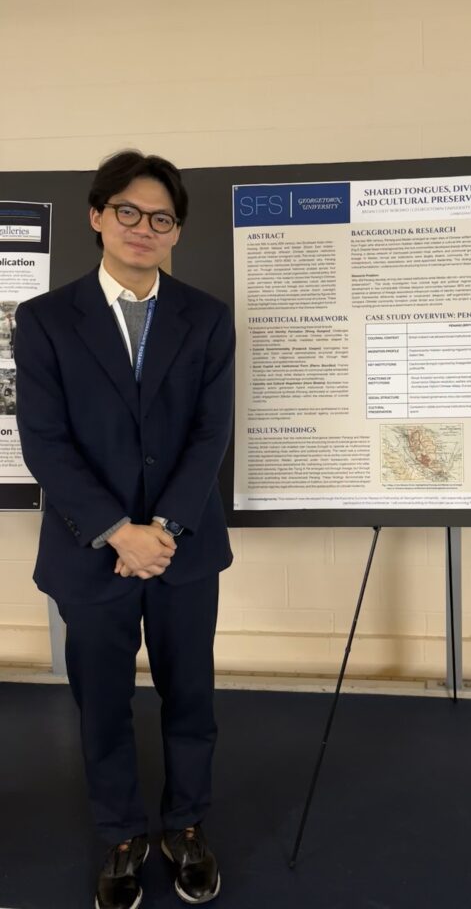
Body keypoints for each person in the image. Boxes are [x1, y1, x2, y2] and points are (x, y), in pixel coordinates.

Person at [14, 150, 235, 909]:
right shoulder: (43, 320)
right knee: (102, 703)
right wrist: (118, 530)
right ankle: (119, 835)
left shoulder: (205, 318)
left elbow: (211, 434)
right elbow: (44, 441)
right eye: (129, 212)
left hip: (183, 547)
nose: (145, 229)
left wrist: (162, 526)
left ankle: (187, 828)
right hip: (91, 552)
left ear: (177, 232)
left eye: (162, 218)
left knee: (191, 697)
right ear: (97, 216)